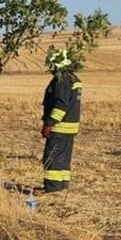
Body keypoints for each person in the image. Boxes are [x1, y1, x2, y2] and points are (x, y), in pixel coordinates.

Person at [41, 47, 82, 193]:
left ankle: (52, 187)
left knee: (52, 157)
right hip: (70, 127)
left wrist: (49, 124)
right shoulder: (73, 78)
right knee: (63, 157)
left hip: (59, 127)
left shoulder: (62, 80)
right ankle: (62, 185)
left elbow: (61, 104)